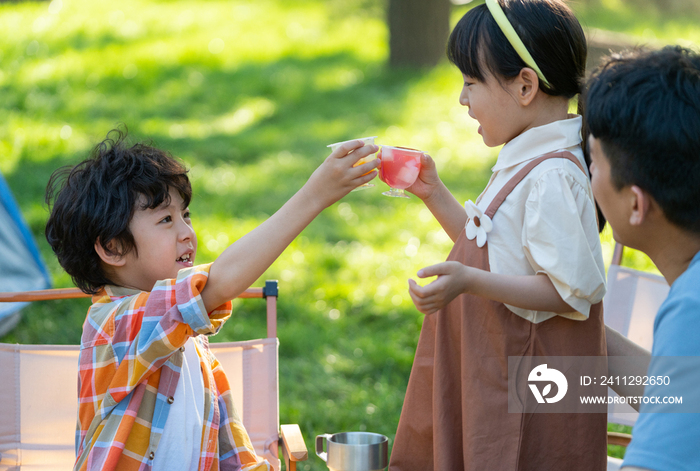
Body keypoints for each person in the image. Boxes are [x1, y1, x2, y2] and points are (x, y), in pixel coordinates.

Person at [44, 128, 379, 471]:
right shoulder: (115, 324)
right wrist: (314, 196)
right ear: (113, 247)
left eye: (185, 215)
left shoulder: (187, 336)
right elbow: (219, 282)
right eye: (166, 220)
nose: (187, 232)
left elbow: (229, 447)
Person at [389, 0, 608, 469]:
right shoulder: (527, 157)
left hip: (529, 385)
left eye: (471, 83)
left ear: (525, 85)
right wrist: (433, 193)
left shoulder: (552, 175)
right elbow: (495, 251)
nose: (462, 100)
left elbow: (569, 294)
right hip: (496, 369)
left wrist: (469, 283)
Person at [585, 45, 700, 471]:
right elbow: (684, 391)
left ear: (637, 203)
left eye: (593, 162)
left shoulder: (693, 308)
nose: (586, 175)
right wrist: (580, 321)